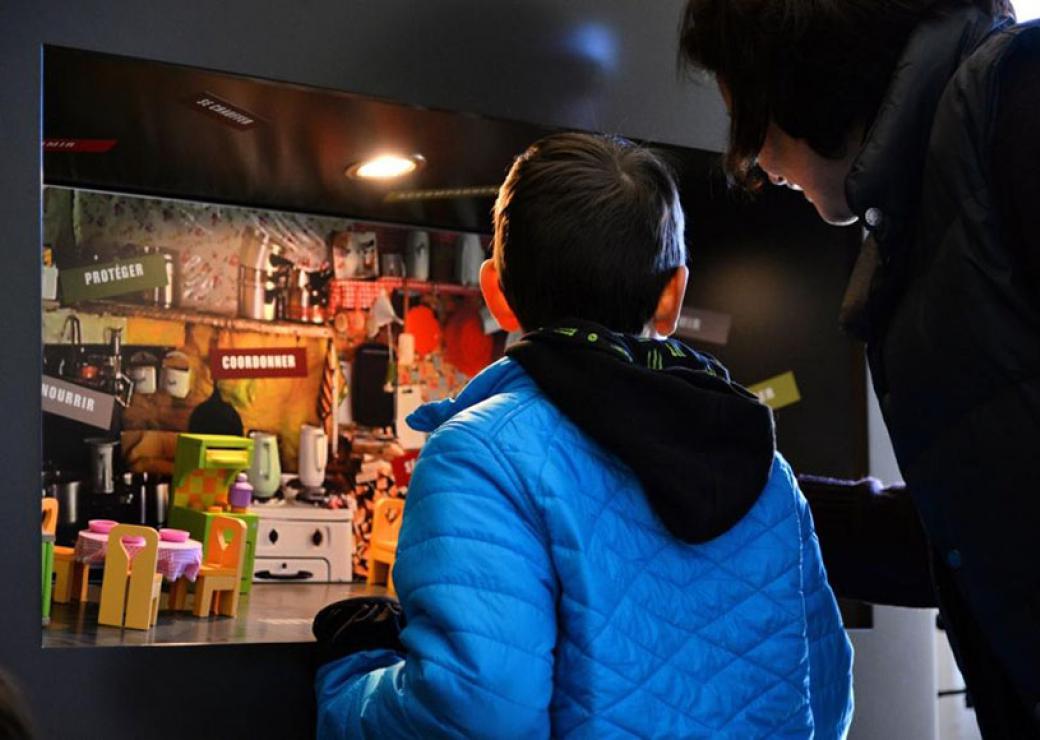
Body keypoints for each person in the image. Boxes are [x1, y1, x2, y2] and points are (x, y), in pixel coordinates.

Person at [312, 132, 854, 738]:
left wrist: (354, 672)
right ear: (673, 295)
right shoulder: (764, 467)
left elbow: (474, 713)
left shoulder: (481, 456)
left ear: (497, 294)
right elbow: (826, 699)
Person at [679, 0, 1040, 736]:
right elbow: (970, 533)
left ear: (797, 76)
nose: (751, 159)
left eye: (744, 113)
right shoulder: (921, 210)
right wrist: (755, 494)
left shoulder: (1018, 99)